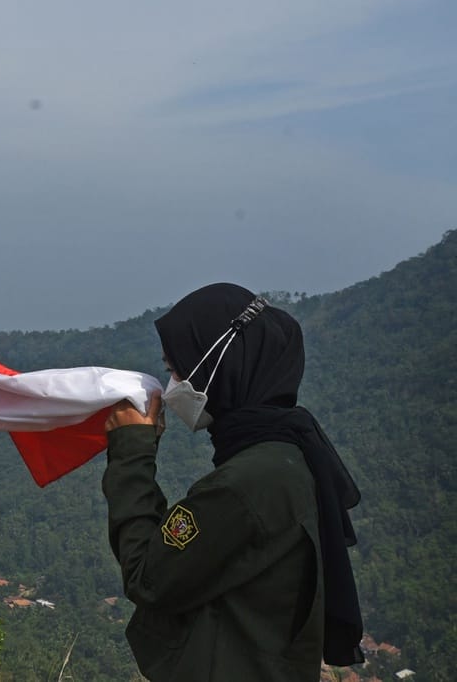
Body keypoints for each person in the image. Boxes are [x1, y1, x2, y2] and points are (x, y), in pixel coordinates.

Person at [102, 283, 363, 681]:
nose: (171, 386)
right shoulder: (290, 453)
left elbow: (147, 576)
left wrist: (131, 451)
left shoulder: (241, 487)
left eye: (176, 371)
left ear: (218, 370)